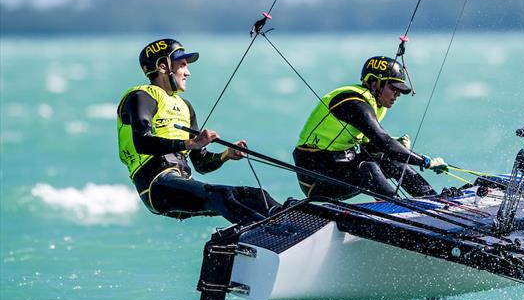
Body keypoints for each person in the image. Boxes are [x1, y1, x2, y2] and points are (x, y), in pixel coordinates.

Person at [117, 38, 280, 224]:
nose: (188, 73)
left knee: (256, 196)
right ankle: (271, 230)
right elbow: (142, 142)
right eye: (182, 65)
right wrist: (191, 143)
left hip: (181, 181)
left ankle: (293, 219)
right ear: (163, 67)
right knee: (220, 195)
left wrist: (226, 155)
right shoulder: (141, 96)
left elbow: (201, 164)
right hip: (155, 185)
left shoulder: (185, 107)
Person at [293, 55, 448, 200]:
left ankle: (433, 201)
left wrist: (398, 146)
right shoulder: (354, 103)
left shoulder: (377, 105)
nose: (397, 94)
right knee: (369, 168)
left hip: (343, 165)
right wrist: (425, 161)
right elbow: (383, 142)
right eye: (394, 88)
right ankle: (396, 208)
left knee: (393, 162)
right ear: (374, 83)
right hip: (315, 177)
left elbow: (372, 146)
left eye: (399, 90)